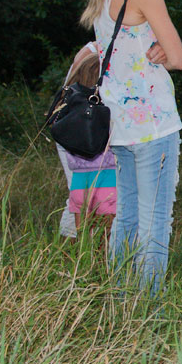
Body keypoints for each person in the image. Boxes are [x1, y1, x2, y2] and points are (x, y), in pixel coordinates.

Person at [80, 0, 182, 295]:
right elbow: (178, 57)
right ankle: (145, 312)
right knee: (155, 222)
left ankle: (119, 305)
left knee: (127, 216)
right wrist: (162, 46)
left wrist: (153, 43)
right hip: (155, 124)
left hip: (121, 126)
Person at [56, 44, 117, 240]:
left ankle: (78, 264)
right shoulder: (105, 117)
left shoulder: (71, 118)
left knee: (82, 232)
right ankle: (100, 265)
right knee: (106, 232)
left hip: (80, 183)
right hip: (108, 181)